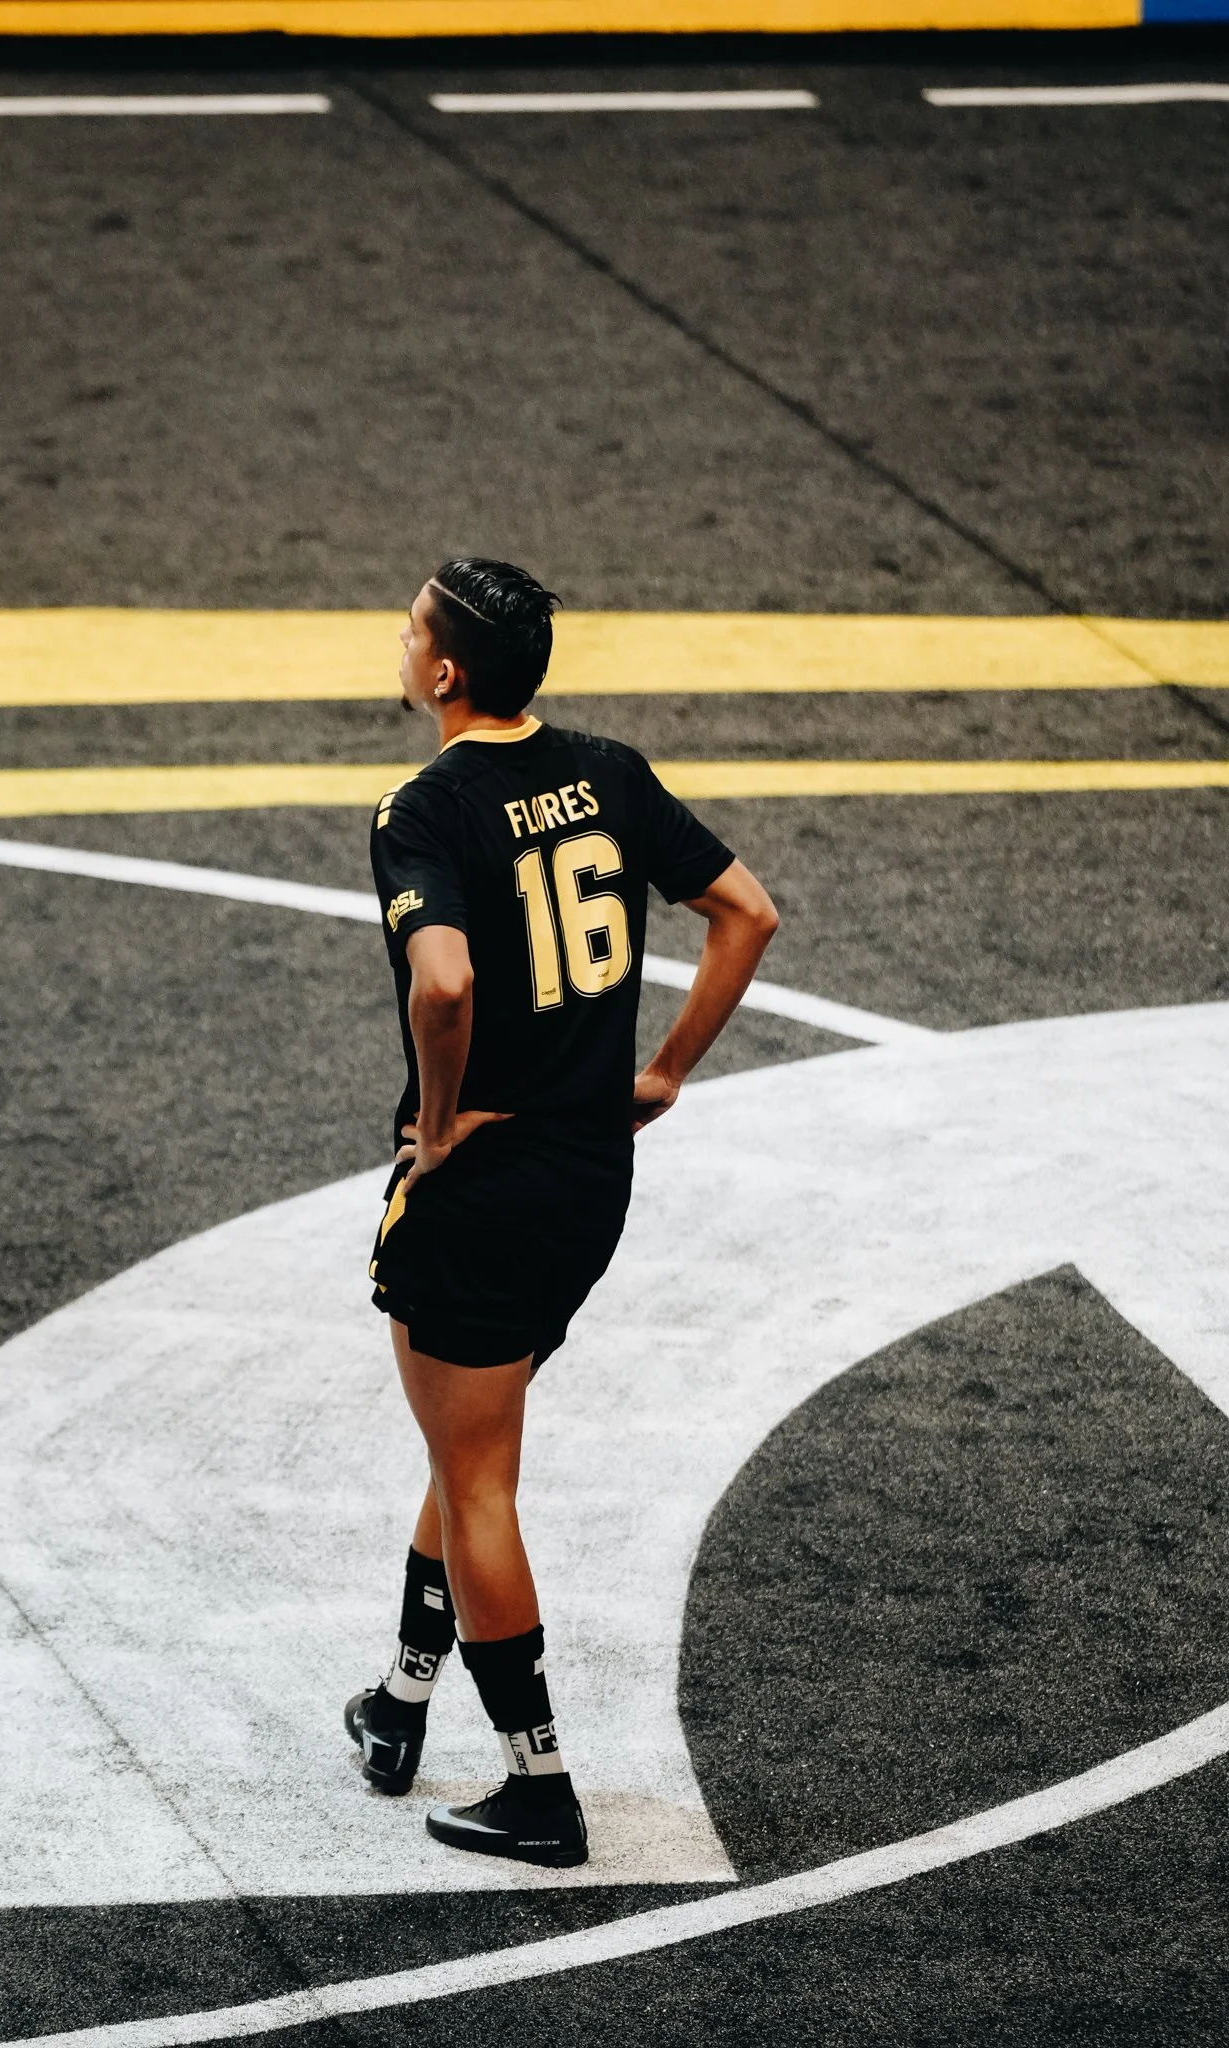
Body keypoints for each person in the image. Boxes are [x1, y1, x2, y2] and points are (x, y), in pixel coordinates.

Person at [346, 558, 778, 1867]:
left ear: (446, 672)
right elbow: (746, 913)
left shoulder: (422, 809)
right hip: (592, 1178)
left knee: (478, 1476)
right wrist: (663, 1072)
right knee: (467, 1445)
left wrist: (434, 1120)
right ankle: (403, 1705)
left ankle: (540, 1788)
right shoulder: (610, 770)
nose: (403, 638)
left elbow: (442, 983)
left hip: (484, 1187)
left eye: (414, 626)